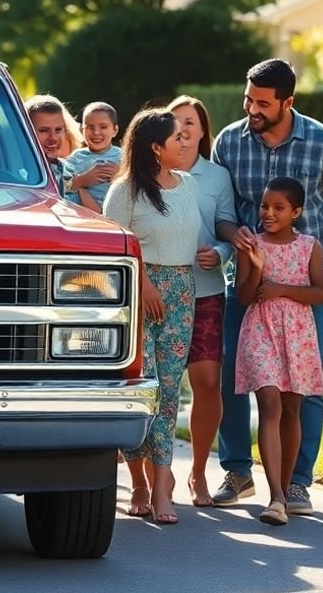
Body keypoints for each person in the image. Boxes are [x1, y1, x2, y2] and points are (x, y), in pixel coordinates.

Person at [211, 59, 323, 516]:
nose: (252, 109)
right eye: (248, 99)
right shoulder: (229, 142)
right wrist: (231, 234)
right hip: (247, 283)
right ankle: (238, 471)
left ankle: (297, 483)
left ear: (287, 102)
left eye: (263, 103)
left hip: (306, 288)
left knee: (306, 385)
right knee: (234, 379)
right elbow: (221, 210)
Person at [102, 108, 202, 525]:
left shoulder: (189, 185)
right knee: (142, 388)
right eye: (177, 137)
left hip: (182, 292)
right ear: (155, 148)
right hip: (137, 297)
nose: (186, 142)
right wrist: (143, 283)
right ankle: (139, 480)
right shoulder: (124, 191)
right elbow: (110, 249)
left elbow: (188, 237)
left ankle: (163, 482)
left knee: (169, 391)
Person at [234, 177, 323, 526]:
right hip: (260, 330)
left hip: (298, 334)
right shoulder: (251, 245)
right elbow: (244, 297)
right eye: (264, 206)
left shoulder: (310, 246)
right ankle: (274, 496)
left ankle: (287, 491)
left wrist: (280, 289)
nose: (268, 213)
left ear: (296, 212)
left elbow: (321, 293)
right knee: (270, 402)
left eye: (278, 208)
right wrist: (258, 268)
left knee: (292, 409)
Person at [166, 94, 236, 507]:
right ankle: (160, 474)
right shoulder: (153, 173)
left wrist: (222, 254)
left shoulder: (217, 177)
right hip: (162, 294)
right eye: (176, 121)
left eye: (191, 121)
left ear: (202, 129)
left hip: (207, 289)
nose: (184, 128)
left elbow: (227, 226)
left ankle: (197, 473)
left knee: (208, 382)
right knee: (166, 386)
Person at [64, 102, 123, 214]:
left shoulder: (123, 158)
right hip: (82, 217)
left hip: (116, 217)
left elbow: (137, 187)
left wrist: (119, 176)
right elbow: (62, 188)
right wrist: (82, 179)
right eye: (90, 127)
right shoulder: (75, 159)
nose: (96, 132)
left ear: (115, 130)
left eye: (103, 127)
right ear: (82, 131)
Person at [24, 94, 77, 197]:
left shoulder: (69, 170)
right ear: (26, 131)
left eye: (58, 130)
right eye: (44, 130)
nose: (53, 138)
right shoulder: (19, 173)